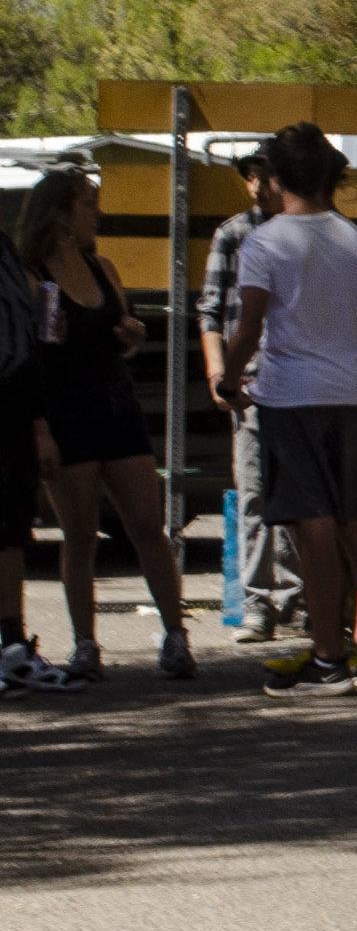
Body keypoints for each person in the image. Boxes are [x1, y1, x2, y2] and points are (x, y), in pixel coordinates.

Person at [213, 124, 357, 693]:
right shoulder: (354, 239)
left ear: (275, 178)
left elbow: (249, 326)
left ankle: (327, 656)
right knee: (355, 522)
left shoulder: (264, 242)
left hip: (288, 399)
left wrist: (226, 377)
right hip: (345, 398)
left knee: (312, 527)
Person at [18, 163, 197, 684]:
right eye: (88, 204)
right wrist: (40, 429)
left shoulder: (104, 268)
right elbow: (32, 357)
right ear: (61, 213)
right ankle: (85, 644)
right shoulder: (34, 276)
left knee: (147, 525)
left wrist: (130, 333)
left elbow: (122, 329)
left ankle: (175, 635)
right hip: (65, 413)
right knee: (79, 534)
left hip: (116, 409)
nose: (97, 214)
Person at [198, 138, 305, 648]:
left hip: (301, 380)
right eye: (250, 175)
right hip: (250, 382)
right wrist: (220, 374)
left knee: (300, 492)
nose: (259, 185)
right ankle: (259, 602)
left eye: (267, 174)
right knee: (255, 489)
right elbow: (212, 312)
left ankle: (298, 597)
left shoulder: (307, 232)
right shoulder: (234, 235)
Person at [0, 211, 67, 688]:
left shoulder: (5, 253)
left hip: (11, 412)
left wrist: (39, 424)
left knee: (9, 533)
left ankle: (12, 646)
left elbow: (29, 340)